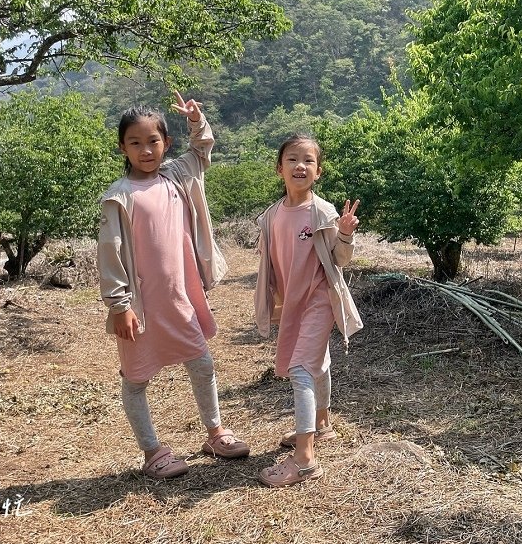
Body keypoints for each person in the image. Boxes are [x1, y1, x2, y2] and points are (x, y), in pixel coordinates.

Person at [97, 92, 249, 479]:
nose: (145, 149)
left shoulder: (177, 176)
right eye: (135, 142)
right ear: (122, 147)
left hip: (179, 298)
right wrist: (119, 305)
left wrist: (197, 120)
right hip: (142, 306)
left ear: (167, 143)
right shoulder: (119, 196)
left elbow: (202, 150)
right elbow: (110, 251)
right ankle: (152, 451)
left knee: (201, 362)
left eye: (153, 141)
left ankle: (215, 432)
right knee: (136, 379)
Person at [253, 133, 363, 487]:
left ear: (319, 171)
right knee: (319, 361)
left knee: (301, 368)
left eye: (308, 161)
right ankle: (323, 424)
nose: (300, 166)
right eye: (292, 159)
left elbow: (340, 260)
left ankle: (304, 458)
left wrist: (344, 234)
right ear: (278, 168)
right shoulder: (270, 216)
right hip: (292, 303)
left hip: (319, 299)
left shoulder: (323, 211)